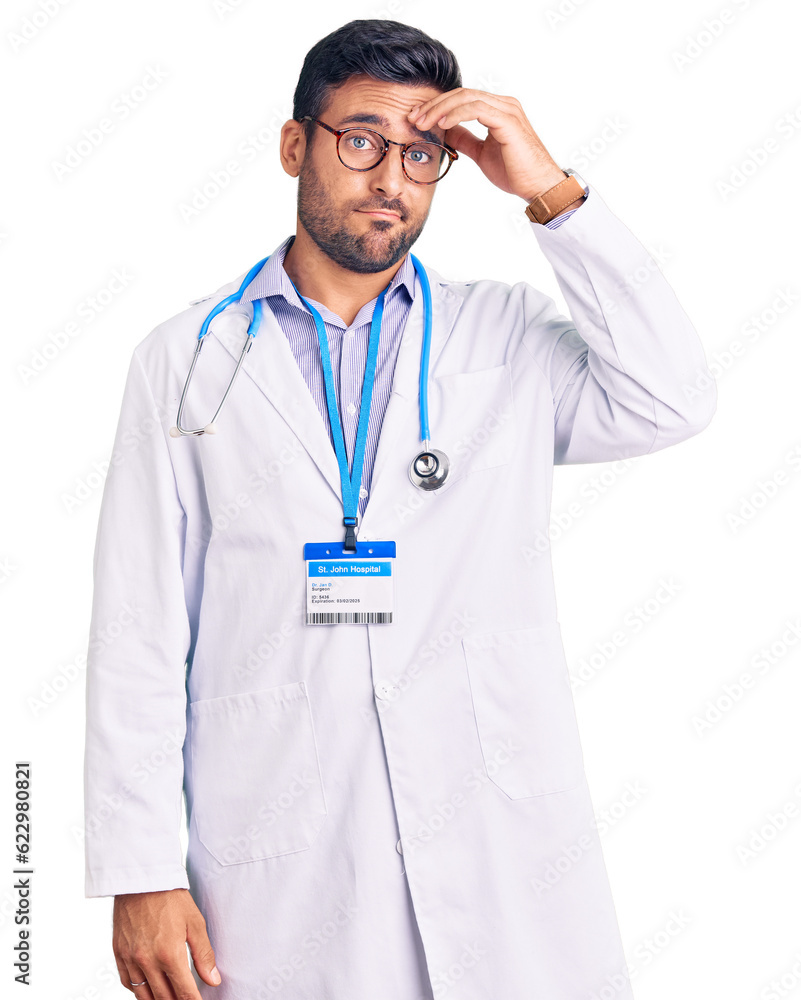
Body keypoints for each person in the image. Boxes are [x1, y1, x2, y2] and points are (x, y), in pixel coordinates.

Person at [83, 17, 717, 1000]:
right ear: (296, 145)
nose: (392, 178)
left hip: (499, 844)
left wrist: (548, 188)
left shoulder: (504, 337)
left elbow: (671, 398)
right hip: (284, 853)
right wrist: (138, 869)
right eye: (363, 140)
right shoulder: (185, 357)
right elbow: (137, 629)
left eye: (423, 153)